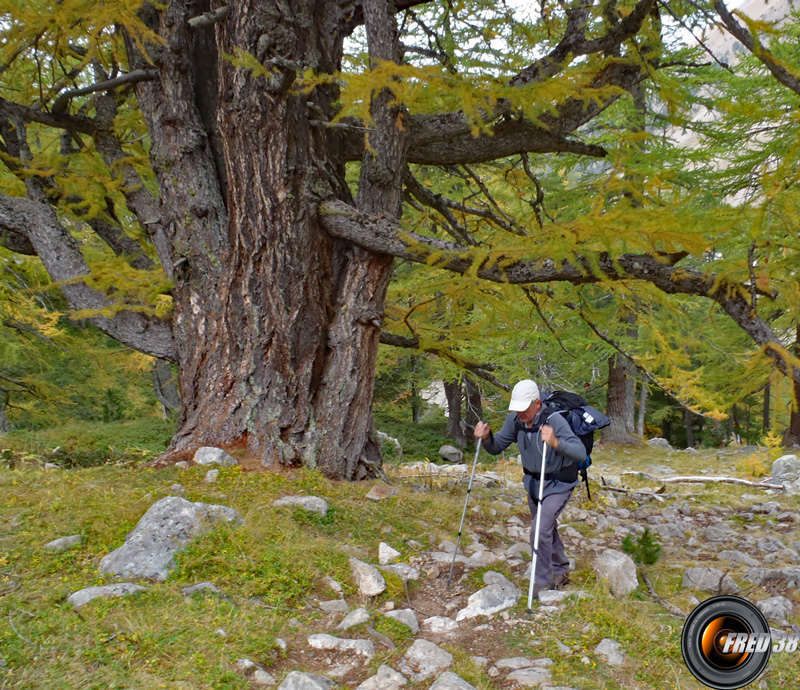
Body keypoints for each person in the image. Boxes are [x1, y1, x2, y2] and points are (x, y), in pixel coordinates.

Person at [474, 379, 585, 600]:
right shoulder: (515, 420)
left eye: (524, 409)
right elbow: (496, 448)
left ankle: (542, 585)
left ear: (537, 403)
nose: (520, 414)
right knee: (546, 529)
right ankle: (561, 570)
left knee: (539, 531)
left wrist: (555, 443)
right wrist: (486, 437)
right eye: (517, 409)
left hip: (559, 483)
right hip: (534, 484)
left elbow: (580, 453)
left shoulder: (555, 421)